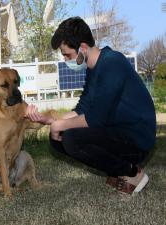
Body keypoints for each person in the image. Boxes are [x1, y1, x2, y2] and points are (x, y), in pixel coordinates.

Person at [25, 17, 156, 195]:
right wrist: (51, 120)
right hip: (118, 131)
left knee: (71, 138)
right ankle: (119, 170)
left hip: (137, 138)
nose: (65, 60)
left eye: (67, 55)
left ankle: (132, 172)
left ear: (83, 48)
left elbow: (95, 118)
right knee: (58, 138)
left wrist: (60, 125)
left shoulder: (112, 63)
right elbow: (83, 107)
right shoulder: (93, 69)